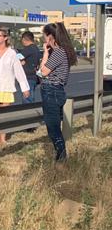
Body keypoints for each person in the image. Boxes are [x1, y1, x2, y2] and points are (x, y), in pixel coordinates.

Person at [39, 22, 77, 162]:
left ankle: (61, 158)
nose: (44, 39)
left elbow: (43, 71)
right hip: (55, 91)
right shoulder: (61, 51)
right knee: (53, 126)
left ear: (50, 37)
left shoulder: (59, 52)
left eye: (44, 36)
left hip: (52, 91)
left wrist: (45, 52)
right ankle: (61, 156)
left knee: (53, 128)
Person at [18, 31, 42, 103]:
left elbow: (17, 58)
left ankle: (28, 112)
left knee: (27, 99)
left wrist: (21, 61)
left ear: (24, 39)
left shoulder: (28, 49)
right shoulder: (36, 48)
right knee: (30, 97)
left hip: (28, 78)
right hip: (33, 77)